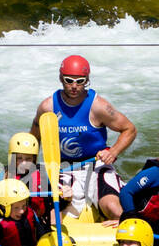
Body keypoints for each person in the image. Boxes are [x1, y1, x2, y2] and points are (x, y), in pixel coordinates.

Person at [30, 55, 136, 221]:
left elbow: (129, 129)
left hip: (96, 165)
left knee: (115, 210)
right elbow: (33, 142)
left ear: (87, 80)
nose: (74, 86)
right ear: (60, 78)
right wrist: (26, 172)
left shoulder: (98, 106)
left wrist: (113, 151)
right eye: (69, 80)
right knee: (51, 216)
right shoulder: (47, 107)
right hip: (63, 167)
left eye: (80, 81)